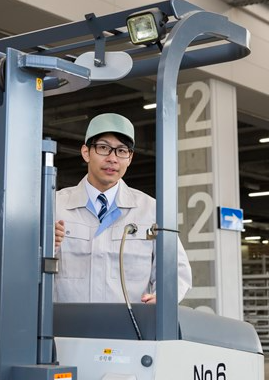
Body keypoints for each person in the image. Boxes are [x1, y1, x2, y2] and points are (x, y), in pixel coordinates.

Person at [53, 113, 192, 304]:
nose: (112, 158)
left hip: (130, 329)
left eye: (121, 151)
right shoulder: (54, 206)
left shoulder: (151, 210)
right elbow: (22, 270)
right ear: (86, 152)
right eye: (103, 148)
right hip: (64, 328)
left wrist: (163, 298)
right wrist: (45, 248)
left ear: (130, 158)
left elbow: (176, 270)